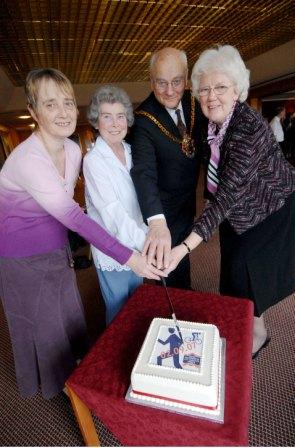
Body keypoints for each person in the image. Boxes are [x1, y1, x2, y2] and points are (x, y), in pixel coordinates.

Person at [0, 68, 164, 400]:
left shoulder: (74, 151)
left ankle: (75, 371)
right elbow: (74, 214)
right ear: (33, 111)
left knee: (70, 316)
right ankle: (54, 388)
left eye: (68, 102)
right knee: (42, 325)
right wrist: (130, 257)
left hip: (57, 248)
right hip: (20, 254)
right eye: (50, 104)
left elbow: (67, 210)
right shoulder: (27, 159)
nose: (62, 112)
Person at [164, 45, 295, 358]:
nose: (212, 96)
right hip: (237, 207)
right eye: (205, 89)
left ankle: (257, 334)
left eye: (221, 87)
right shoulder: (210, 121)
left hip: (270, 206)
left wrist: (183, 247)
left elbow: (227, 195)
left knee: (248, 270)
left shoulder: (247, 127)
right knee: (234, 267)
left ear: (237, 89)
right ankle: (250, 323)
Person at [130, 47, 205, 289]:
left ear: (186, 78)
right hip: (162, 209)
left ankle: (185, 294)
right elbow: (144, 173)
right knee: (163, 266)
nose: (170, 91)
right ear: (151, 82)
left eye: (176, 81)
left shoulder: (196, 103)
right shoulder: (143, 120)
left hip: (186, 202)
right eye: (161, 83)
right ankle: (168, 313)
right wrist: (157, 222)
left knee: (182, 256)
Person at [83, 85, 148, 325]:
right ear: (96, 121)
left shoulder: (133, 151)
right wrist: (148, 246)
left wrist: (148, 240)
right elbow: (113, 213)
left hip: (140, 241)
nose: (114, 123)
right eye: (106, 116)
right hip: (114, 250)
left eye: (120, 116)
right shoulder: (93, 161)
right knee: (118, 309)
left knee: (137, 301)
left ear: (127, 120)